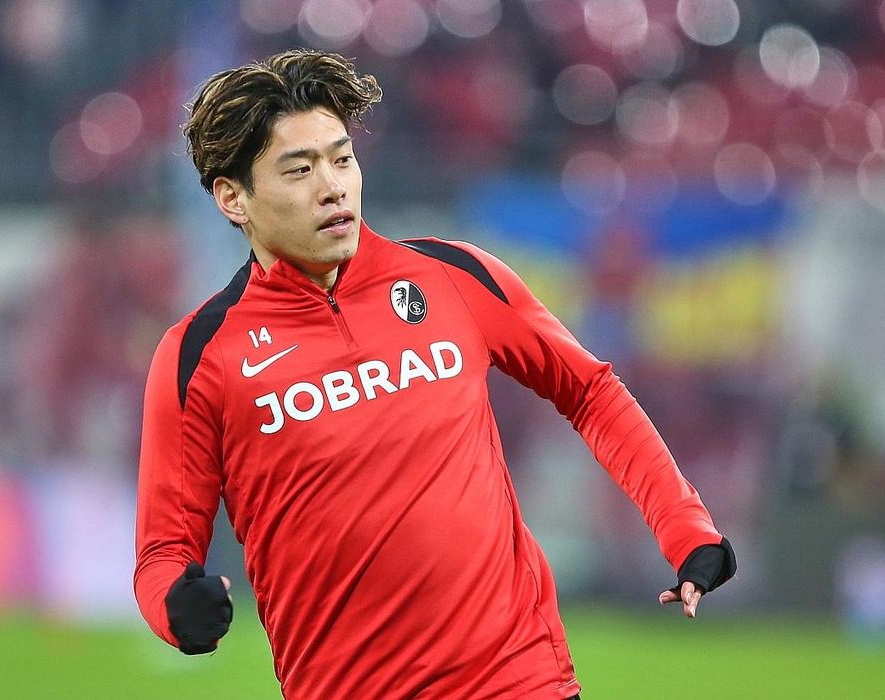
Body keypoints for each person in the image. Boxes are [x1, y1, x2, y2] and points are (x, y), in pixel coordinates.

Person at [134, 49, 736, 699]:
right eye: (299, 169)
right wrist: (176, 607)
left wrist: (685, 529)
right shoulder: (200, 355)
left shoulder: (454, 276)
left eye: (342, 159)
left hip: (520, 678)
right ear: (233, 198)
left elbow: (589, 391)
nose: (333, 187)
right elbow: (164, 548)